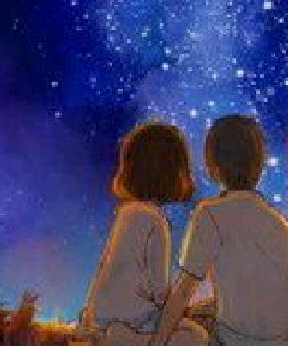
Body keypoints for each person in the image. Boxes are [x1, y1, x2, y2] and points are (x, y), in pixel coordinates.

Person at [151, 115, 288, 346]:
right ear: (259, 167)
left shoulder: (210, 213)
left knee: (188, 327)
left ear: (213, 168)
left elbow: (183, 291)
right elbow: (256, 291)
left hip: (237, 340)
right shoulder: (276, 220)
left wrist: (157, 341)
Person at [80, 122, 208, 346]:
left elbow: (105, 266)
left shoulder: (126, 213)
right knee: (197, 336)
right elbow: (160, 291)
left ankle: (115, 336)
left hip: (102, 315)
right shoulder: (156, 220)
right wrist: (179, 308)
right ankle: (130, 340)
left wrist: (88, 317)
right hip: (135, 317)